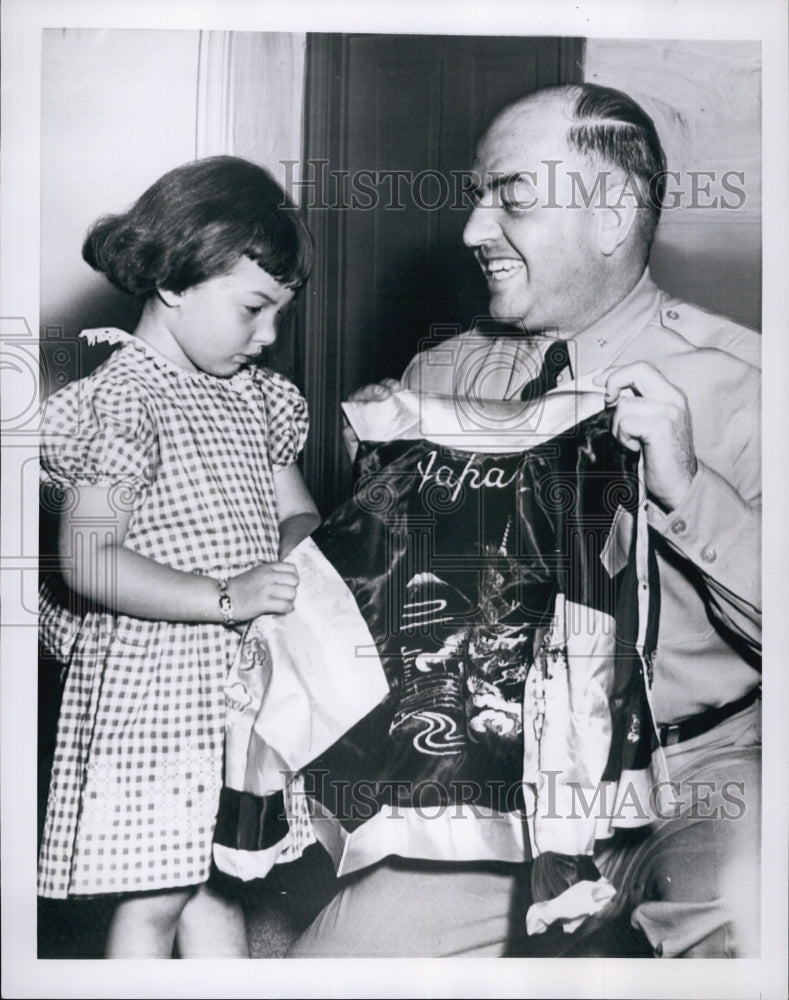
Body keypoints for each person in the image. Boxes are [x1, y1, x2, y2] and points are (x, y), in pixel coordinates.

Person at [292, 83, 761, 958]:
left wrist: (690, 489)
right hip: (503, 784)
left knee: (750, 933)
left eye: (509, 197)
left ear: (611, 213)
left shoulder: (748, 385)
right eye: (477, 198)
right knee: (337, 966)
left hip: (701, 773)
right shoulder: (438, 377)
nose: (472, 230)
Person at [37, 156, 321, 958]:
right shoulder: (126, 398)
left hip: (233, 684)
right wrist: (226, 595)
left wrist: (305, 557)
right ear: (173, 282)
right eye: (253, 308)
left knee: (221, 879)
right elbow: (88, 561)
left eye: (281, 314)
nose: (267, 337)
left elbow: (295, 510)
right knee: (156, 893)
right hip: (152, 683)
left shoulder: (255, 397)